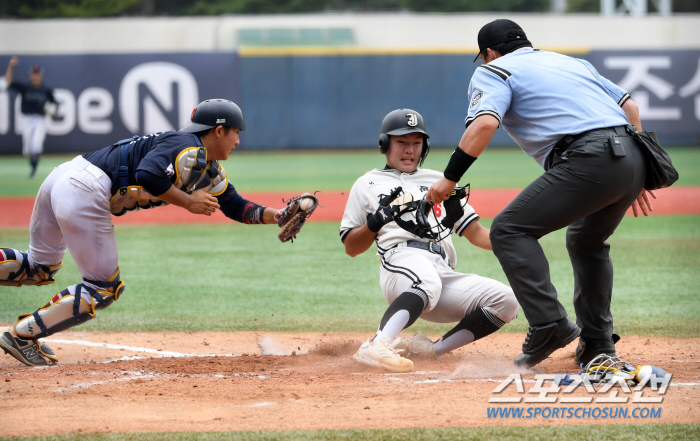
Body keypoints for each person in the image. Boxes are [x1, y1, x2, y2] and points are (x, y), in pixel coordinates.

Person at [0, 99, 307, 366]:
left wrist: (278, 216)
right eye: (236, 132)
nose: (238, 140)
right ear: (218, 130)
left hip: (65, 175)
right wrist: (188, 201)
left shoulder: (203, 164)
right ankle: (22, 337)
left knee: (37, 267)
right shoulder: (185, 146)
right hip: (85, 188)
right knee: (103, 287)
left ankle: (25, 335)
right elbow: (147, 174)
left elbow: (235, 206)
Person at [427, 19, 656, 369]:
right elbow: (631, 109)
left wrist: (449, 178)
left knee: (508, 230)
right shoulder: (571, 62)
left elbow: (485, 123)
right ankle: (597, 344)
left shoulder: (495, 70)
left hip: (589, 158)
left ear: (489, 53)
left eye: (485, 57)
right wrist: (639, 173)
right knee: (586, 241)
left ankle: (549, 324)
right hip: (635, 156)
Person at [340, 108, 519, 373]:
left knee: (506, 300)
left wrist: (517, 241)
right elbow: (351, 247)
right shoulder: (367, 183)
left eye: (416, 142)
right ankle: (378, 344)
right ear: (385, 144)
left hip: (441, 272)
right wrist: (376, 221)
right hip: (399, 262)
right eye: (401, 142)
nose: (410, 150)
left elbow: (476, 233)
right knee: (426, 280)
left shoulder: (438, 181)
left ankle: (430, 350)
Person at [5, 57, 58, 178]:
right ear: (30, 76)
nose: (36, 76)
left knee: (36, 144)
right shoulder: (25, 87)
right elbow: (9, 81)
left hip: (40, 119)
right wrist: (11, 66)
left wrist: (54, 112)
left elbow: (55, 103)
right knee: (28, 149)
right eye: (34, 74)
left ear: (41, 75)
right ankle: (32, 164)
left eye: (38, 74)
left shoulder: (46, 89)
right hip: (27, 119)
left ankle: (33, 171)